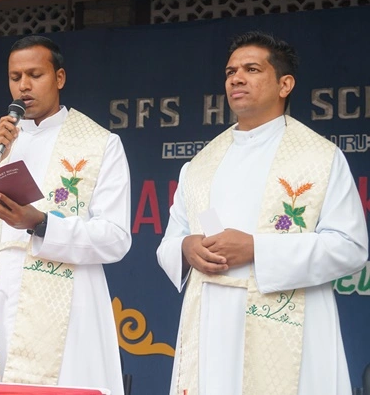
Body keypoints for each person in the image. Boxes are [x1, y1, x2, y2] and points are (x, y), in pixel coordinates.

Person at [156, 31, 368, 395]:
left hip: (288, 323)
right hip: (211, 324)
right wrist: (186, 248)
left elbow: (350, 247)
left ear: (285, 84)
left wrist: (257, 249)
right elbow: (171, 241)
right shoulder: (201, 164)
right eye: (230, 72)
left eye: (251, 69)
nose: (236, 78)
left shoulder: (320, 158)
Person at [0, 35, 132, 394]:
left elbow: (115, 238)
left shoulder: (100, 144)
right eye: (15, 77)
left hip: (66, 309)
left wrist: (41, 224)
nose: (24, 86)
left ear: (59, 78)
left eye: (35, 75)